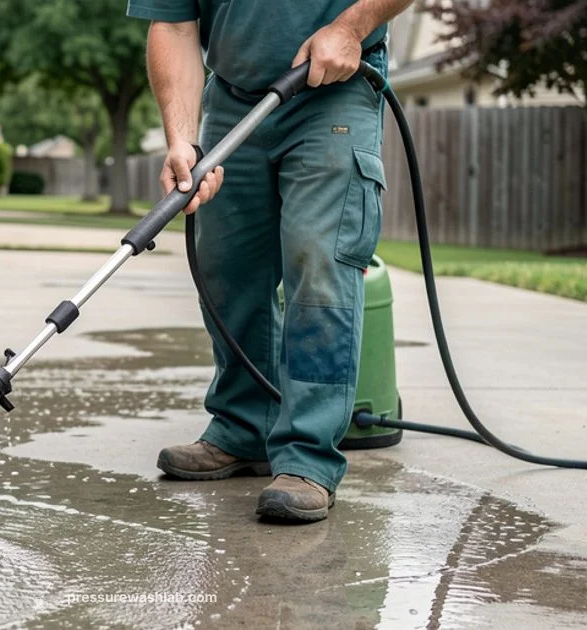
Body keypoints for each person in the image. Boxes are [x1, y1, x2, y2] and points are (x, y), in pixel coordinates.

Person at [125, 0, 415, 523]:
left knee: (318, 258)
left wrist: (351, 26)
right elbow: (172, 23)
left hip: (333, 91)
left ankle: (308, 457)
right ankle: (244, 427)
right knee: (225, 265)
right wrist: (182, 140)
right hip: (233, 100)